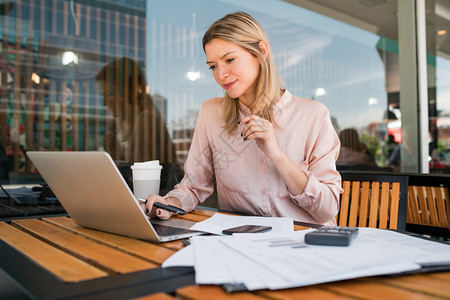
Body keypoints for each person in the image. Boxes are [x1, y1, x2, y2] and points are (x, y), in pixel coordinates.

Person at [142, 12, 342, 225]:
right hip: (239, 242)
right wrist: (167, 204)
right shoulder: (211, 113)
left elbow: (327, 209)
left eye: (229, 60)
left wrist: (277, 156)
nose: (221, 74)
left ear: (261, 51)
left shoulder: (313, 115)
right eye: (213, 66)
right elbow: (193, 186)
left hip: (304, 242)